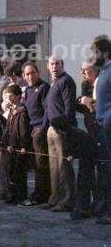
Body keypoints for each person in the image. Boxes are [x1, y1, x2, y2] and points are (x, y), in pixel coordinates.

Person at [41, 56, 76, 212]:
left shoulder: (66, 81)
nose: (54, 66)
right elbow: (48, 109)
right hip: (51, 129)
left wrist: (61, 127)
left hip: (62, 129)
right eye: (52, 64)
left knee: (64, 166)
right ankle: (55, 198)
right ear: (48, 66)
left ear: (62, 65)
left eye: (57, 64)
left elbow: (69, 110)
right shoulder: (54, 83)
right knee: (54, 166)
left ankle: (68, 201)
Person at [22, 62, 51, 206]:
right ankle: (39, 193)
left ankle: (41, 195)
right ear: (23, 76)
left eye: (32, 72)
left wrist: (43, 128)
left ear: (38, 73)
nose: (30, 76)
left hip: (40, 130)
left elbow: (47, 110)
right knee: (35, 164)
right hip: (31, 130)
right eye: (27, 74)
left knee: (41, 165)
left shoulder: (44, 87)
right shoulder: (27, 90)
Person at [92, 35, 111, 225]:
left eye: (96, 52)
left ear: (104, 52)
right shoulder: (103, 71)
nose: (94, 55)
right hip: (101, 126)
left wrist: (107, 119)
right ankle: (104, 209)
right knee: (104, 170)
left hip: (108, 127)